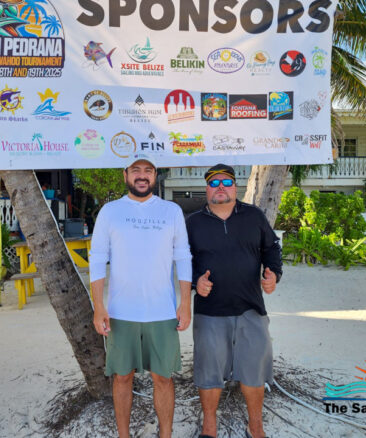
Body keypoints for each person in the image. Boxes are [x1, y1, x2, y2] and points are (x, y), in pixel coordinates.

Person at [89, 154, 193, 438]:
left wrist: (185, 303)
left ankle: (166, 434)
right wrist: (99, 306)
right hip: (121, 312)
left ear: (155, 175)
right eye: (136, 170)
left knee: (164, 378)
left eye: (148, 170)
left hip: (162, 312)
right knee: (122, 377)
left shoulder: (171, 211)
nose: (142, 175)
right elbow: (97, 258)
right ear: (125, 175)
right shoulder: (110, 211)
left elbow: (183, 257)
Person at [185, 164, 282, 438]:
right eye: (214, 183)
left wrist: (273, 274)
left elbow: (271, 248)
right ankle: (209, 426)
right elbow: (181, 261)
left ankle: (256, 426)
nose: (220, 188)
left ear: (235, 187)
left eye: (226, 182)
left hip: (251, 309)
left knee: (254, 371)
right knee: (209, 373)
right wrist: (195, 281)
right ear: (206, 189)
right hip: (209, 312)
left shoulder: (254, 216)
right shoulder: (192, 223)